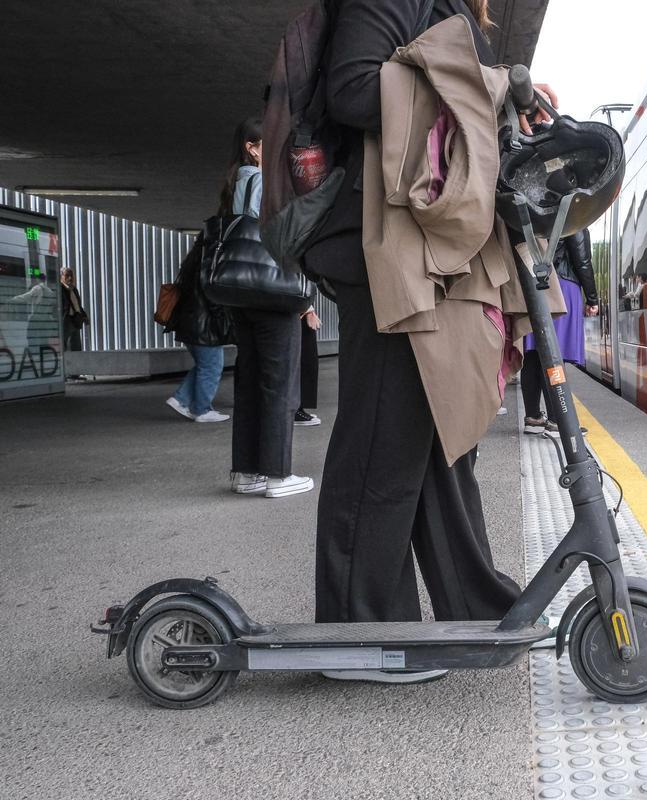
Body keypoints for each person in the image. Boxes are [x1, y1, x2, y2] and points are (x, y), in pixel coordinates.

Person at [304, 0, 556, 684]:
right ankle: (360, 631)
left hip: (425, 248)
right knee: (382, 441)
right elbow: (353, 91)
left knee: (442, 441)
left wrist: (504, 91)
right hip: (387, 246)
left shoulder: (438, 5)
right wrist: (492, 84)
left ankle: (470, 607)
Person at [222, 116, 312, 499]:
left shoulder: (232, 184)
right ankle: (277, 474)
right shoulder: (262, 183)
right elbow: (280, 236)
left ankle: (246, 472)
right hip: (272, 294)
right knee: (279, 384)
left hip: (240, 294)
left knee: (249, 382)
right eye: (269, 144)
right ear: (252, 147)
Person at [522, 228, 598, 434]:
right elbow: (582, 261)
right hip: (561, 287)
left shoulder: (536, 210)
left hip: (533, 283)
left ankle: (533, 417)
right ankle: (557, 420)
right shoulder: (574, 213)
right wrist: (592, 298)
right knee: (554, 355)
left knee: (533, 353)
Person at [295, 306, 321, 426]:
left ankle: (295, 408)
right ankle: (295, 409)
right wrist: (308, 309)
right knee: (304, 355)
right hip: (293, 305)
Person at [59, 267, 88, 352]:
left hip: (75, 320)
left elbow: (77, 305)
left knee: (76, 346)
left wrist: (84, 316)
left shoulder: (74, 289)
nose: (70, 278)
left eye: (71, 275)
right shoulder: (60, 289)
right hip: (66, 320)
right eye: (67, 275)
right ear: (61, 276)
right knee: (64, 344)